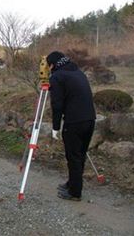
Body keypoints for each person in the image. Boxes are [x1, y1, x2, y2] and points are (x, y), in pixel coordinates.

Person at [47, 51, 96, 201]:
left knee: (73, 156)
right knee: (80, 154)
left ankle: (75, 192)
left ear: (52, 65)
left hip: (74, 122)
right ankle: (73, 183)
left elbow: (57, 105)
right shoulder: (77, 71)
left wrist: (55, 127)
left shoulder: (57, 77)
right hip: (90, 119)